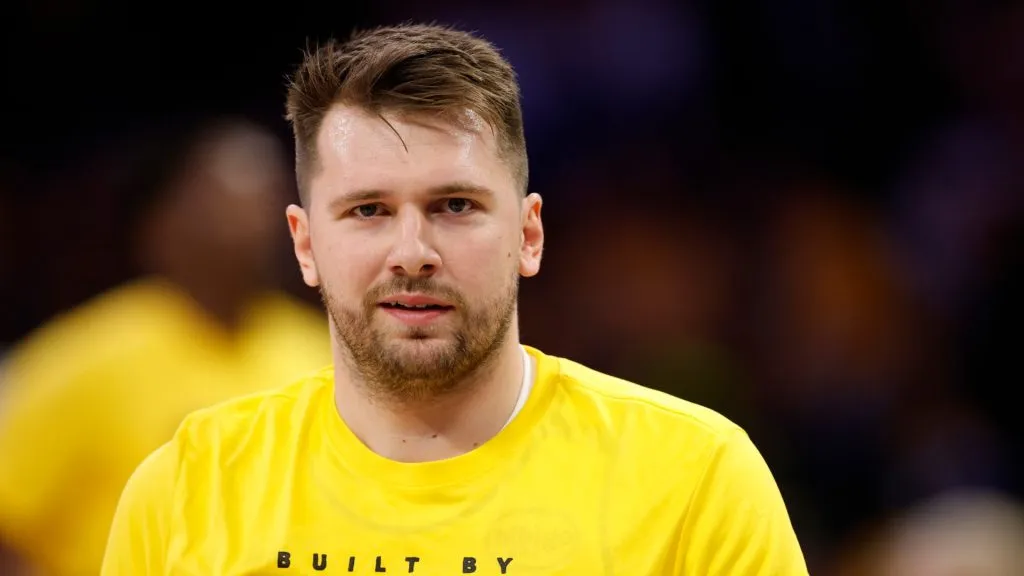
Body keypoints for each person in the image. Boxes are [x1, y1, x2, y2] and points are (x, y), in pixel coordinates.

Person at [102, 24, 808, 575]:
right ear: (306, 244)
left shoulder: (696, 481)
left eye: (455, 205)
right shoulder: (186, 489)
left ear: (529, 234)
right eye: (368, 211)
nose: (412, 251)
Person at [0, 116, 331, 576]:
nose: (252, 220)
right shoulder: (87, 357)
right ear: (164, 222)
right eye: (226, 201)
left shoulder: (323, 357)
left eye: (268, 199)